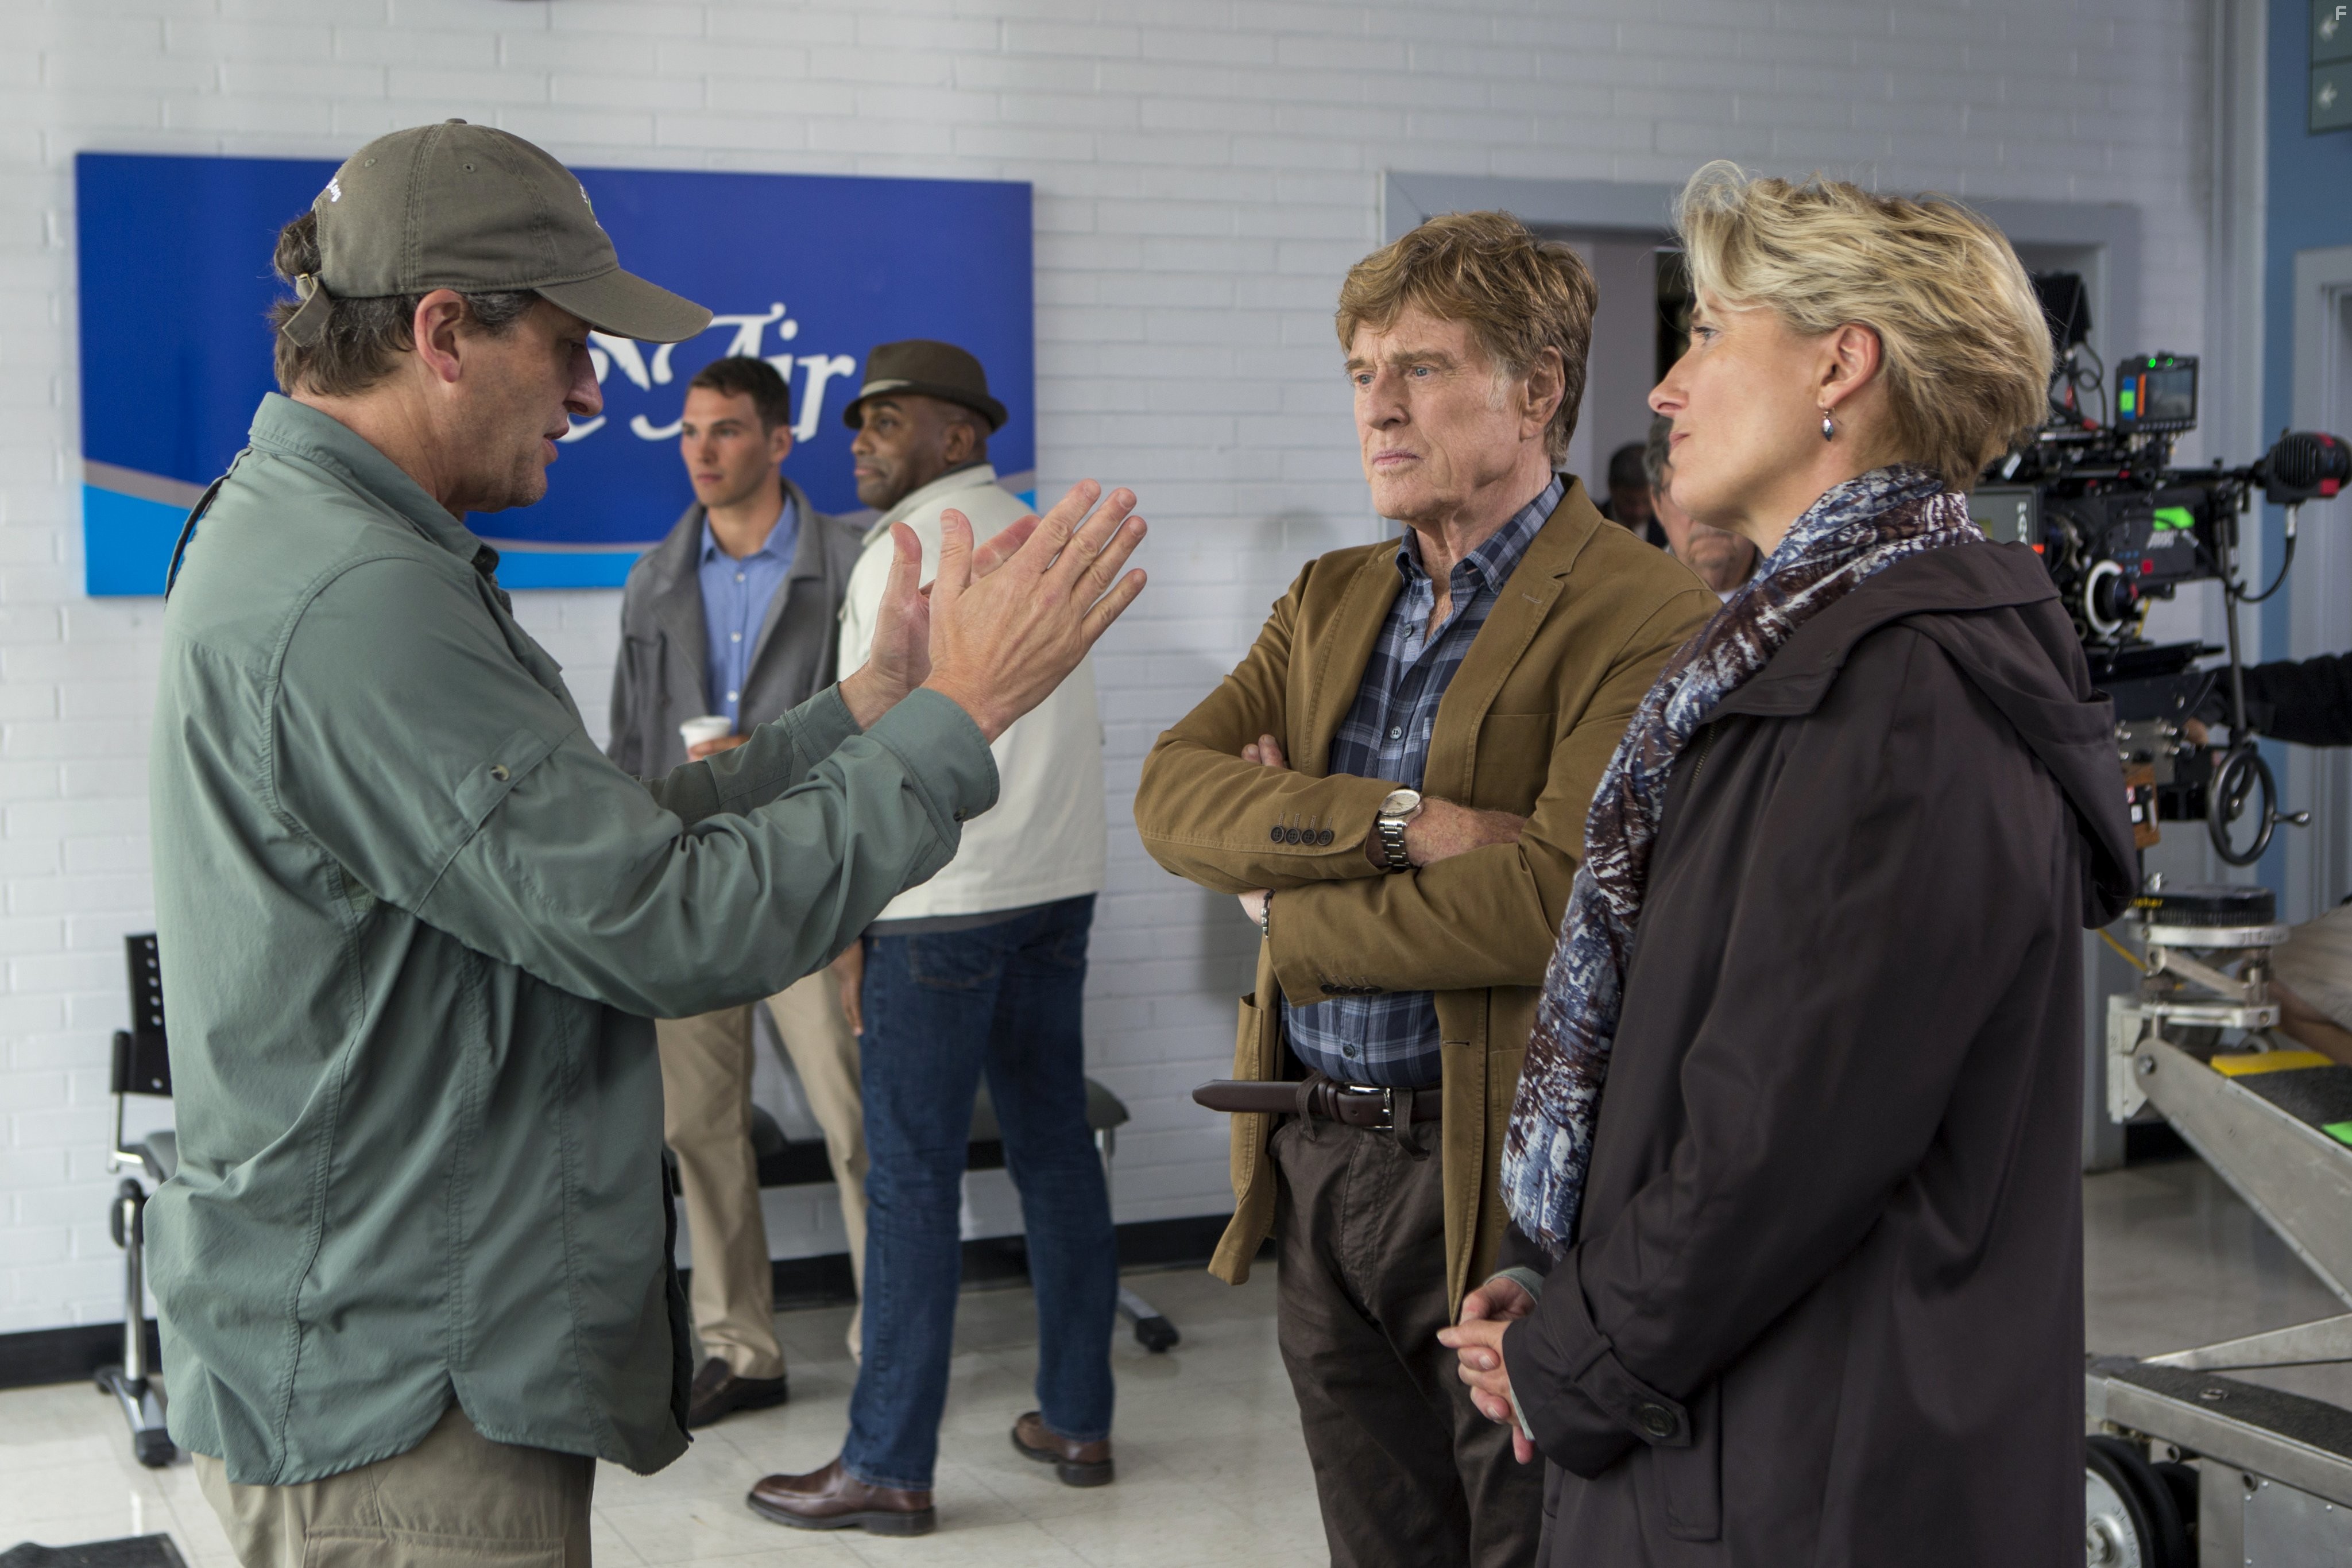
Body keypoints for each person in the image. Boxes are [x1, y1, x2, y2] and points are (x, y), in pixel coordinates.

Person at [144, 121, 1146, 1568]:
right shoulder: (353, 594)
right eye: (565, 343)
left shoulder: (347, 543)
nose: (594, 389)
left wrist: (867, 711)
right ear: (440, 333)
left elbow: (605, 845)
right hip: (401, 1404)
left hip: (410, 1348)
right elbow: (663, 924)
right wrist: (966, 715)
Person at [1441, 162, 2137, 1566]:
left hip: (1804, 1471)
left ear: (1842, 363)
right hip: (1746, 1429)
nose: (1664, 388)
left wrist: (1575, 1357)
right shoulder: (1799, 651)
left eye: (1706, 332)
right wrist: (1562, 1281)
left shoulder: (1893, 693)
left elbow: (1774, 1145)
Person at [1134, 213, 1714, 1568]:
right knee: (1375, 1542)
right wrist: (1399, 823)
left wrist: (1291, 909)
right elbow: (1173, 796)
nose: (1379, 407)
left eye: (1424, 368)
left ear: (1539, 390)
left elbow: (1556, 899)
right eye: (1359, 372)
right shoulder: (1330, 598)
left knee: (1523, 1540)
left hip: (1503, 1163)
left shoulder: (1642, 609)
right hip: (1316, 1154)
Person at [746, 341, 1116, 1538]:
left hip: (939, 907)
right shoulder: (1043, 540)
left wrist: (848, 922)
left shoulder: (906, 552)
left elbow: (874, 751)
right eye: (857, 421)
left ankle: (887, 1465)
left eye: (888, 420)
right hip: (1056, 893)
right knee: (1055, 1156)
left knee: (910, 1183)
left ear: (960, 435)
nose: (859, 438)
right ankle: (1076, 1416)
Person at [606, 355, 872, 1423]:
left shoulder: (852, 563)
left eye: (723, 431)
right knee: (698, 1128)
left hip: (814, 891)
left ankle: (890, 1338)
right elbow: (630, 748)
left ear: (777, 440)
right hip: (691, 891)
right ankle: (740, 1346)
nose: (701, 452)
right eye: (688, 433)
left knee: (856, 1123)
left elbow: (889, 730)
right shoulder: (654, 578)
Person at [1642, 413, 1757, 598]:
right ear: (1657, 504)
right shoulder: (1631, 603)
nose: (1705, 512)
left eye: (1723, 486)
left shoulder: (1806, 593)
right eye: (1686, 492)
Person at [1599, 440, 1666, 548]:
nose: (1639, 511)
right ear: (1612, 488)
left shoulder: (1671, 532)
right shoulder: (1590, 527)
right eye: (1629, 502)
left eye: (1647, 502)